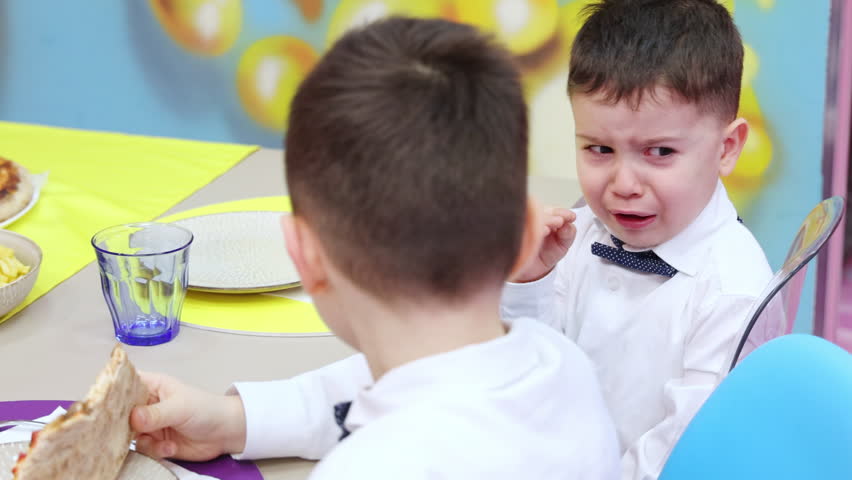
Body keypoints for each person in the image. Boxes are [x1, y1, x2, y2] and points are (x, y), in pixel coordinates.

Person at [131, 16, 620, 480]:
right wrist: (233, 418)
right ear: (526, 232)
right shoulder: (565, 364)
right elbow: (386, 398)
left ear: (304, 256)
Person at [501, 1, 773, 478]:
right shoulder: (581, 231)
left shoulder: (733, 293)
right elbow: (529, 376)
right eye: (599, 149)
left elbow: (682, 455)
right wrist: (530, 283)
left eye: (660, 152)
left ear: (726, 148)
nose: (624, 183)